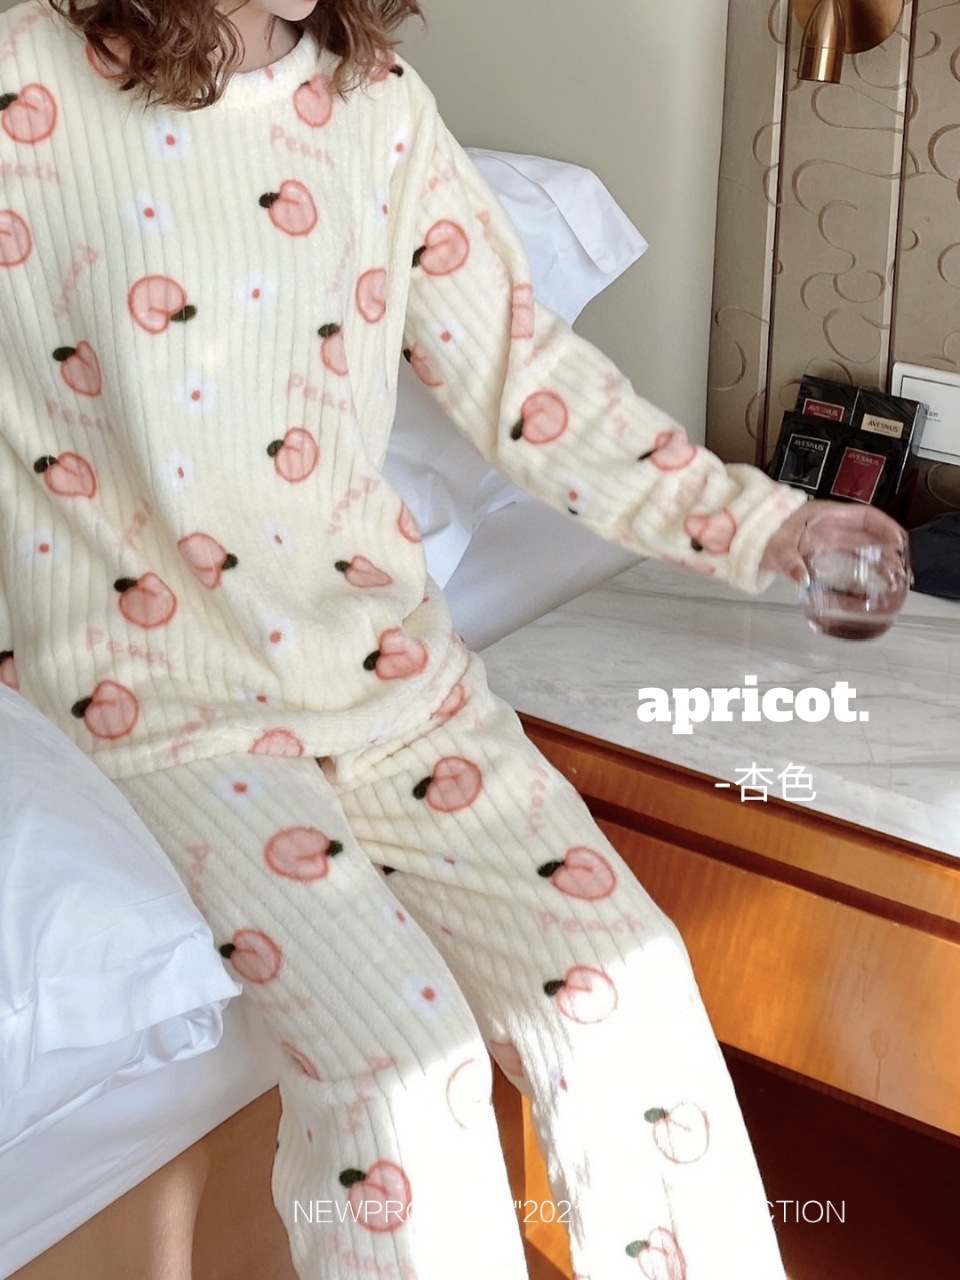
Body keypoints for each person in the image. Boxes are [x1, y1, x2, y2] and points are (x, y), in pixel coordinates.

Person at [0, 0, 905, 1276]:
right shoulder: (24, 81)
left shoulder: (375, 106)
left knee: (632, 985)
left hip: (389, 672)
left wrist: (774, 524)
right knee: (406, 1070)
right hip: (160, 700)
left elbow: (525, 380)